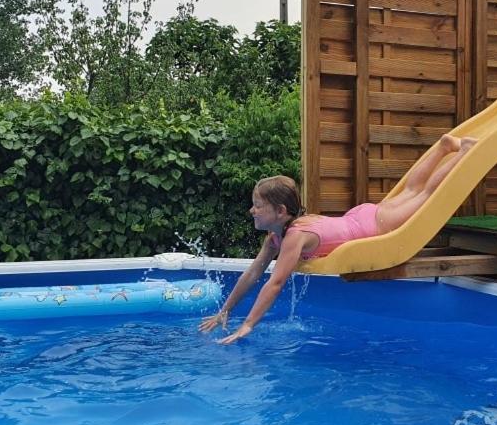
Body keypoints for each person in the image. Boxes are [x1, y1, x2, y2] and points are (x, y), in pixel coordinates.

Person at [199, 133, 477, 344]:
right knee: (413, 190)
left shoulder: (295, 235)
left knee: (424, 194)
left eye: (257, 205)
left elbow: (275, 283)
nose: (252, 210)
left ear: (280, 211)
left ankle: (462, 152)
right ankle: (443, 147)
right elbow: (253, 273)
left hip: (374, 225)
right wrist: (226, 310)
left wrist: (248, 325)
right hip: (361, 216)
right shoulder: (276, 236)